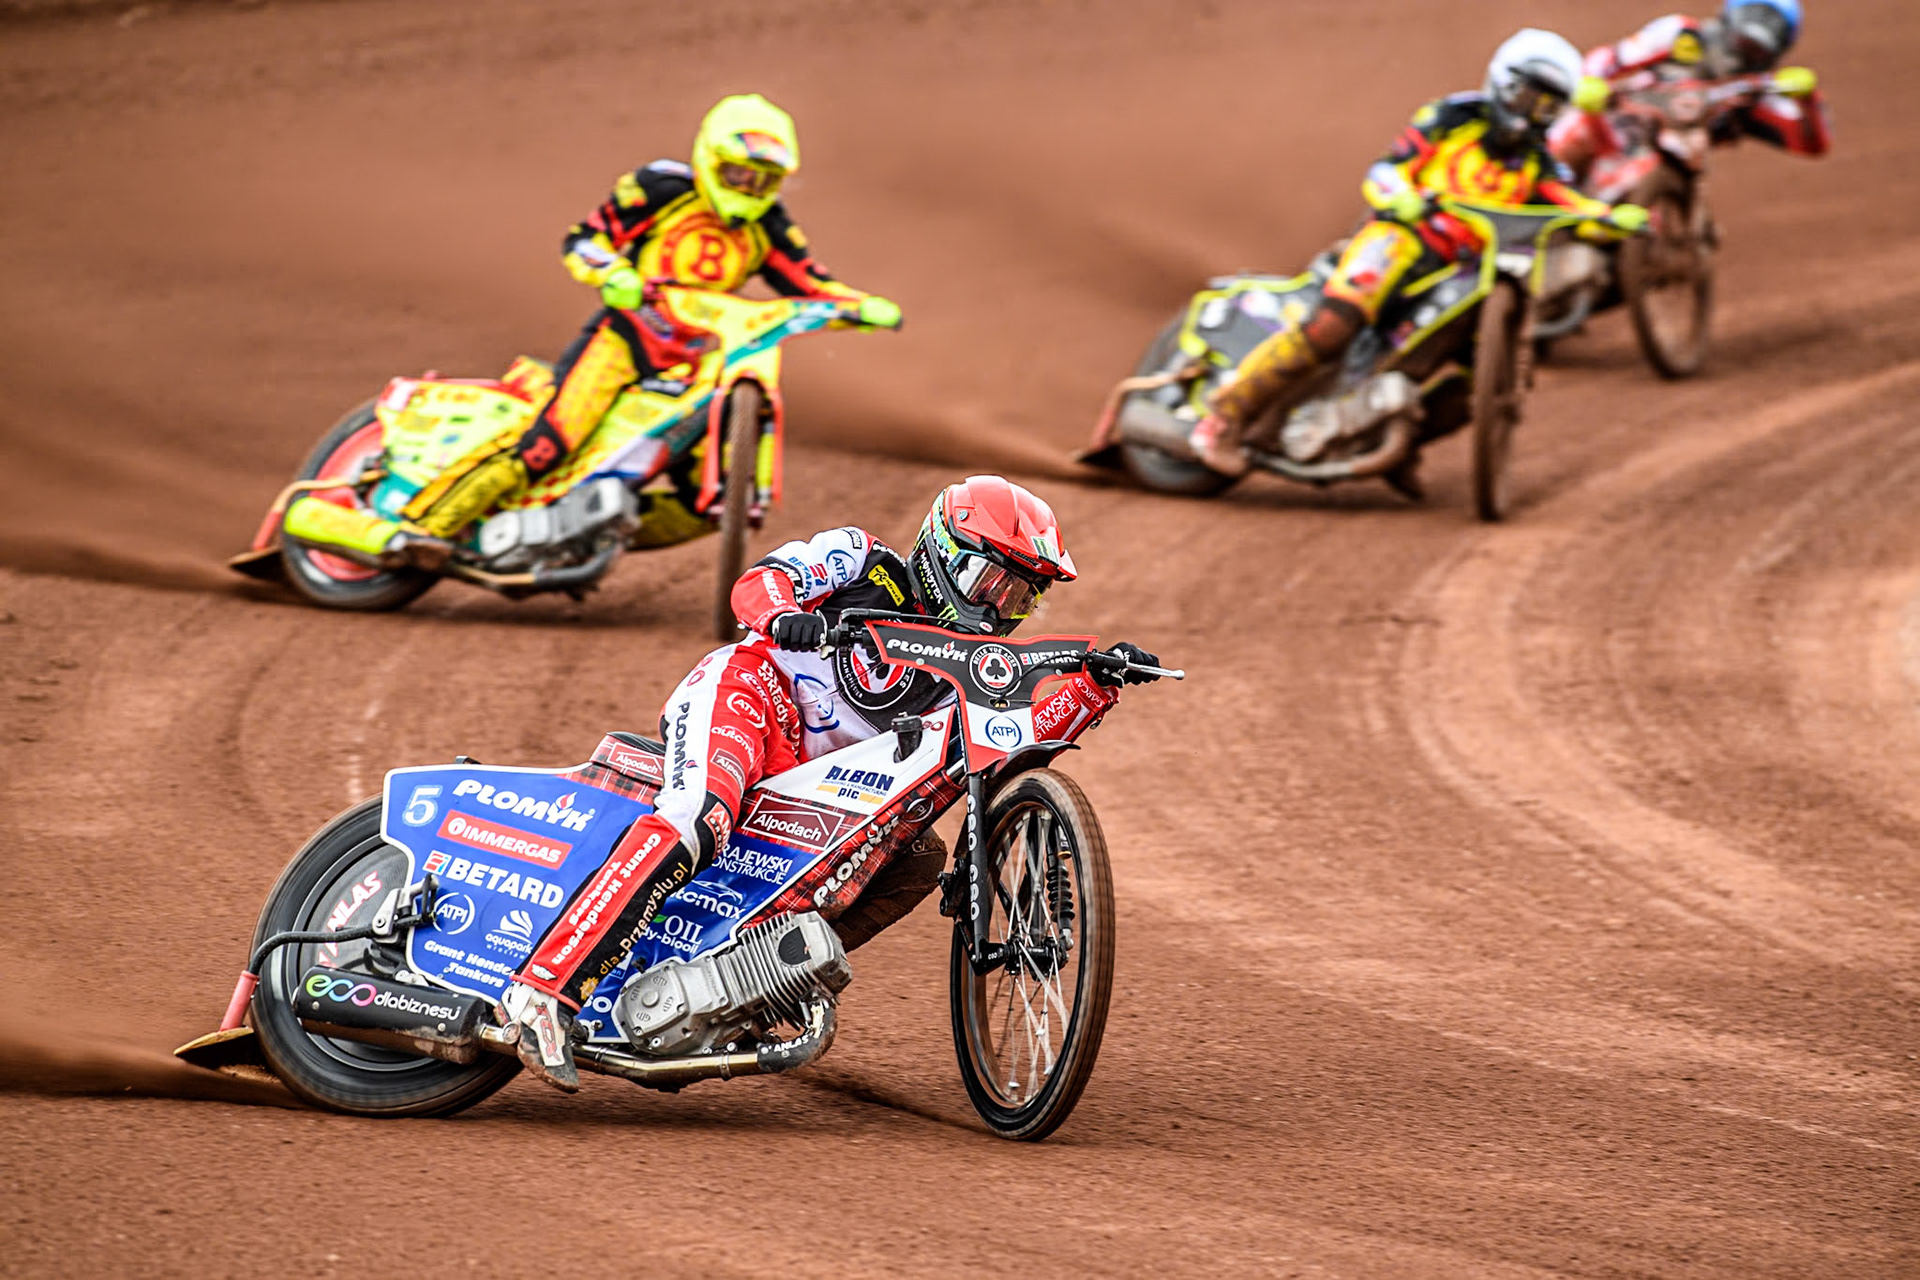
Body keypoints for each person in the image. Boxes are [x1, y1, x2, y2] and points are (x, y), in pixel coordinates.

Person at [499, 476, 1163, 1090]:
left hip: (821, 793)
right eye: (992, 581)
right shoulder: (861, 558)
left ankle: (751, 985)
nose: (1002, 607)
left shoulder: (971, 674)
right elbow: (760, 581)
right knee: (698, 818)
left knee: (919, 860)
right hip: (754, 696)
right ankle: (542, 991)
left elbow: (1002, 759)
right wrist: (786, 612)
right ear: (942, 550)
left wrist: (1093, 685)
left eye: (1022, 595)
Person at [288, 93, 901, 568]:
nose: (750, 189)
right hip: (626, 340)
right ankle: (418, 528)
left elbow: (809, 280)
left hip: (697, 364)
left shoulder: (770, 223)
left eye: (763, 180)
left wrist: (861, 305)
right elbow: (585, 238)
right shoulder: (661, 187)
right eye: (739, 174)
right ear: (713, 160)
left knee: (704, 506)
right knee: (549, 443)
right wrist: (610, 271)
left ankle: (578, 534)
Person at [1188, 30, 1648, 480]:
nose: (1534, 116)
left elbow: (1570, 205)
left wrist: (1611, 217)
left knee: (1493, 378)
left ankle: (1394, 439)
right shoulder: (1452, 117)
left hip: (1467, 269)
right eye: (1531, 98)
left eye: (1549, 107)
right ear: (1505, 85)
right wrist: (1401, 195)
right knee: (1335, 325)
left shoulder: (1541, 163)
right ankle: (1225, 417)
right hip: (1403, 237)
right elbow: (1387, 168)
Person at [1550, 0, 1829, 180]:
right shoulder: (1683, 34)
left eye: (1773, 29)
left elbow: (1810, 143)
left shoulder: (1756, 92)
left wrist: (1807, 99)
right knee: (1572, 133)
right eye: (1755, 17)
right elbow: (1613, 57)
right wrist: (1591, 80)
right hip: (1615, 125)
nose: (1755, 38)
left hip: (1674, 167)